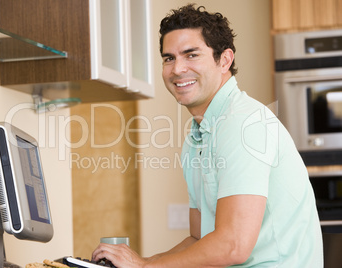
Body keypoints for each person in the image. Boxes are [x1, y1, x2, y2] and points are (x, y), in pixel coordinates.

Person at [92, 4, 323, 267]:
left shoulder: (243, 123)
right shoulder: (198, 135)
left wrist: (145, 267)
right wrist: (143, 261)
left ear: (224, 60)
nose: (177, 69)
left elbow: (233, 246)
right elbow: (198, 236)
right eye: (169, 58)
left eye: (191, 55)